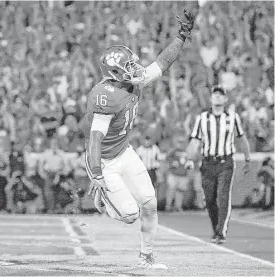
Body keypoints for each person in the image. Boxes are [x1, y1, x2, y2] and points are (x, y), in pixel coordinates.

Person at [81, 10, 195, 269]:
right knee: (130, 215)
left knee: (150, 203)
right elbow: (96, 139)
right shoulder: (105, 96)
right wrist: (97, 174)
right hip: (104, 160)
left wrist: (181, 36)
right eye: (128, 66)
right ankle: (102, 199)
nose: (135, 68)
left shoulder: (134, 81)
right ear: (115, 73)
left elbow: (162, 62)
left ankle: (146, 256)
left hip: (124, 151)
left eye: (132, 63)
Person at [187, 85, 252, 244]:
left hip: (226, 162)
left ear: (225, 98)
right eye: (215, 94)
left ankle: (220, 232)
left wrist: (248, 158)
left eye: (220, 94)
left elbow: (241, 138)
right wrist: (190, 159)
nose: (217, 96)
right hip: (208, 163)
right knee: (209, 200)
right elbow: (195, 140)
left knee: (223, 197)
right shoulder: (202, 118)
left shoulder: (232, 117)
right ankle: (217, 228)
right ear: (211, 98)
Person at [165, 135, 191, 212]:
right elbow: (167, 158)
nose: (180, 144)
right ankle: (168, 206)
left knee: (180, 191)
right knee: (171, 190)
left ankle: (178, 206)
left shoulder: (187, 152)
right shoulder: (174, 151)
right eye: (179, 142)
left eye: (182, 142)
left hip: (183, 174)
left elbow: (191, 161)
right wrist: (172, 162)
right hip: (174, 174)